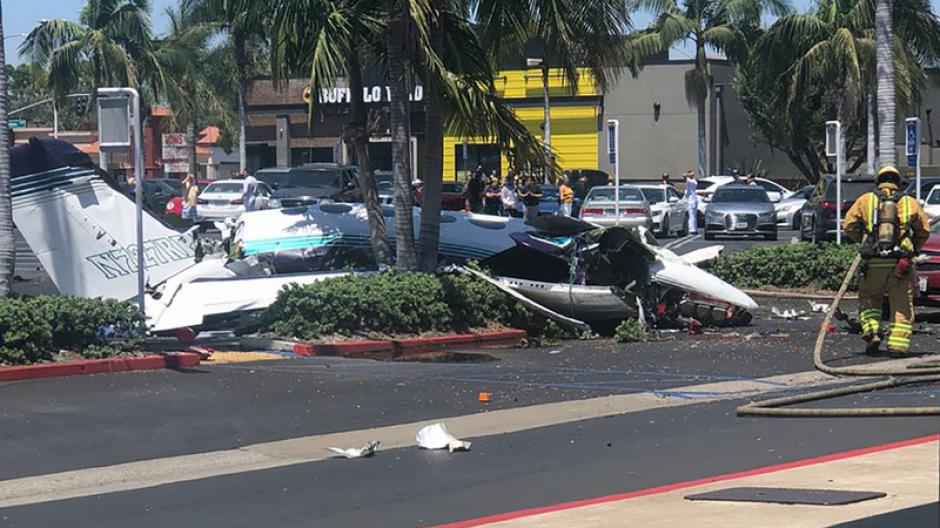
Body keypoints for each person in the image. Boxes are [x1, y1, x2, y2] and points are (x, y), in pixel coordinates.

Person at [844, 166, 930, 357]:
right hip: (900, 263)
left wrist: (865, 241)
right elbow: (924, 231)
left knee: (869, 299)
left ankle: (873, 332)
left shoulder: (865, 200)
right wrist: (913, 247)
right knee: (901, 305)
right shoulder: (909, 202)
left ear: (878, 181)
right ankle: (897, 347)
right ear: (899, 183)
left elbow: (848, 225)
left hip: (873, 262)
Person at [683, 170, 698, 234]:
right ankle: (694, 228)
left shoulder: (691, 181)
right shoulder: (692, 180)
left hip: (691, 200)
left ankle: (692, 229)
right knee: (693, 215)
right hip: (692, 199)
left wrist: (688, 174)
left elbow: (684, 175)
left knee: (692, 215)